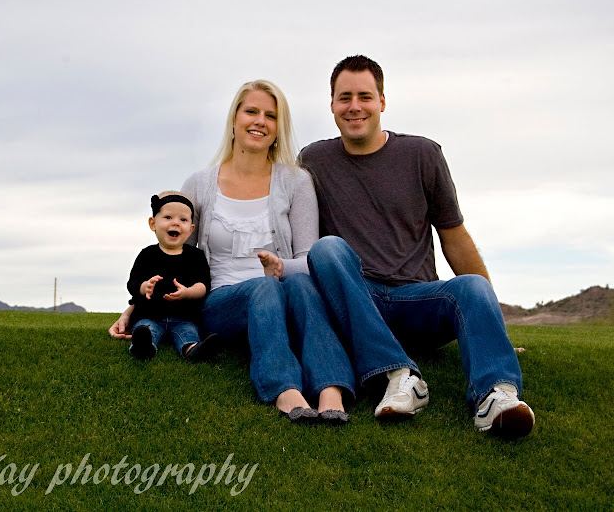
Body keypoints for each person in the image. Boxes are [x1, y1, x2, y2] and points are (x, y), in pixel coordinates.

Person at [300, 54, 535, 437]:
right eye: (345, 98)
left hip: (418, 302)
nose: (354, 106)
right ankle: (401, 375)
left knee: (473, 287)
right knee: (326, 249)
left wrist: (493, 322)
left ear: (382, 101)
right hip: (358, 303)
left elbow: (454, 236)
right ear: (331, 105)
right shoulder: (314, 160)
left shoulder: (423, 154)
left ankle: (496, 397)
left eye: (365, 96)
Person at [111, 80, 355, 424]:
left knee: (300, 285)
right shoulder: (199, 184)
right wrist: (136, 306)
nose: (260, 121)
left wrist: (279, 267)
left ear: (279, 128)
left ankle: (331, 390)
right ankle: (284, 389)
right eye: (251, 111)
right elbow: (174, 257)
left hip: (284, 294)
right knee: (264, 287)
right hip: (222, 302)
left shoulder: (296, 182)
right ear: (235, 120)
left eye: (271, 115)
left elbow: (308, 260)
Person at [124, 190, 216, 361]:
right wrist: (145, 287)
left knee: (188, 332)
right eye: (168, 217)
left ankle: (193, 349)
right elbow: (132, 283)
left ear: (191, 229)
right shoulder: (147, 255)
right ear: (153, 224)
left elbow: (203, 285)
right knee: (146, 329)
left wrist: (188, 292)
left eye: (183, 220)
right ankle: (143, 347)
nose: (176, 223)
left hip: (184, 317)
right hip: (150, 315)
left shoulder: (195, 256)